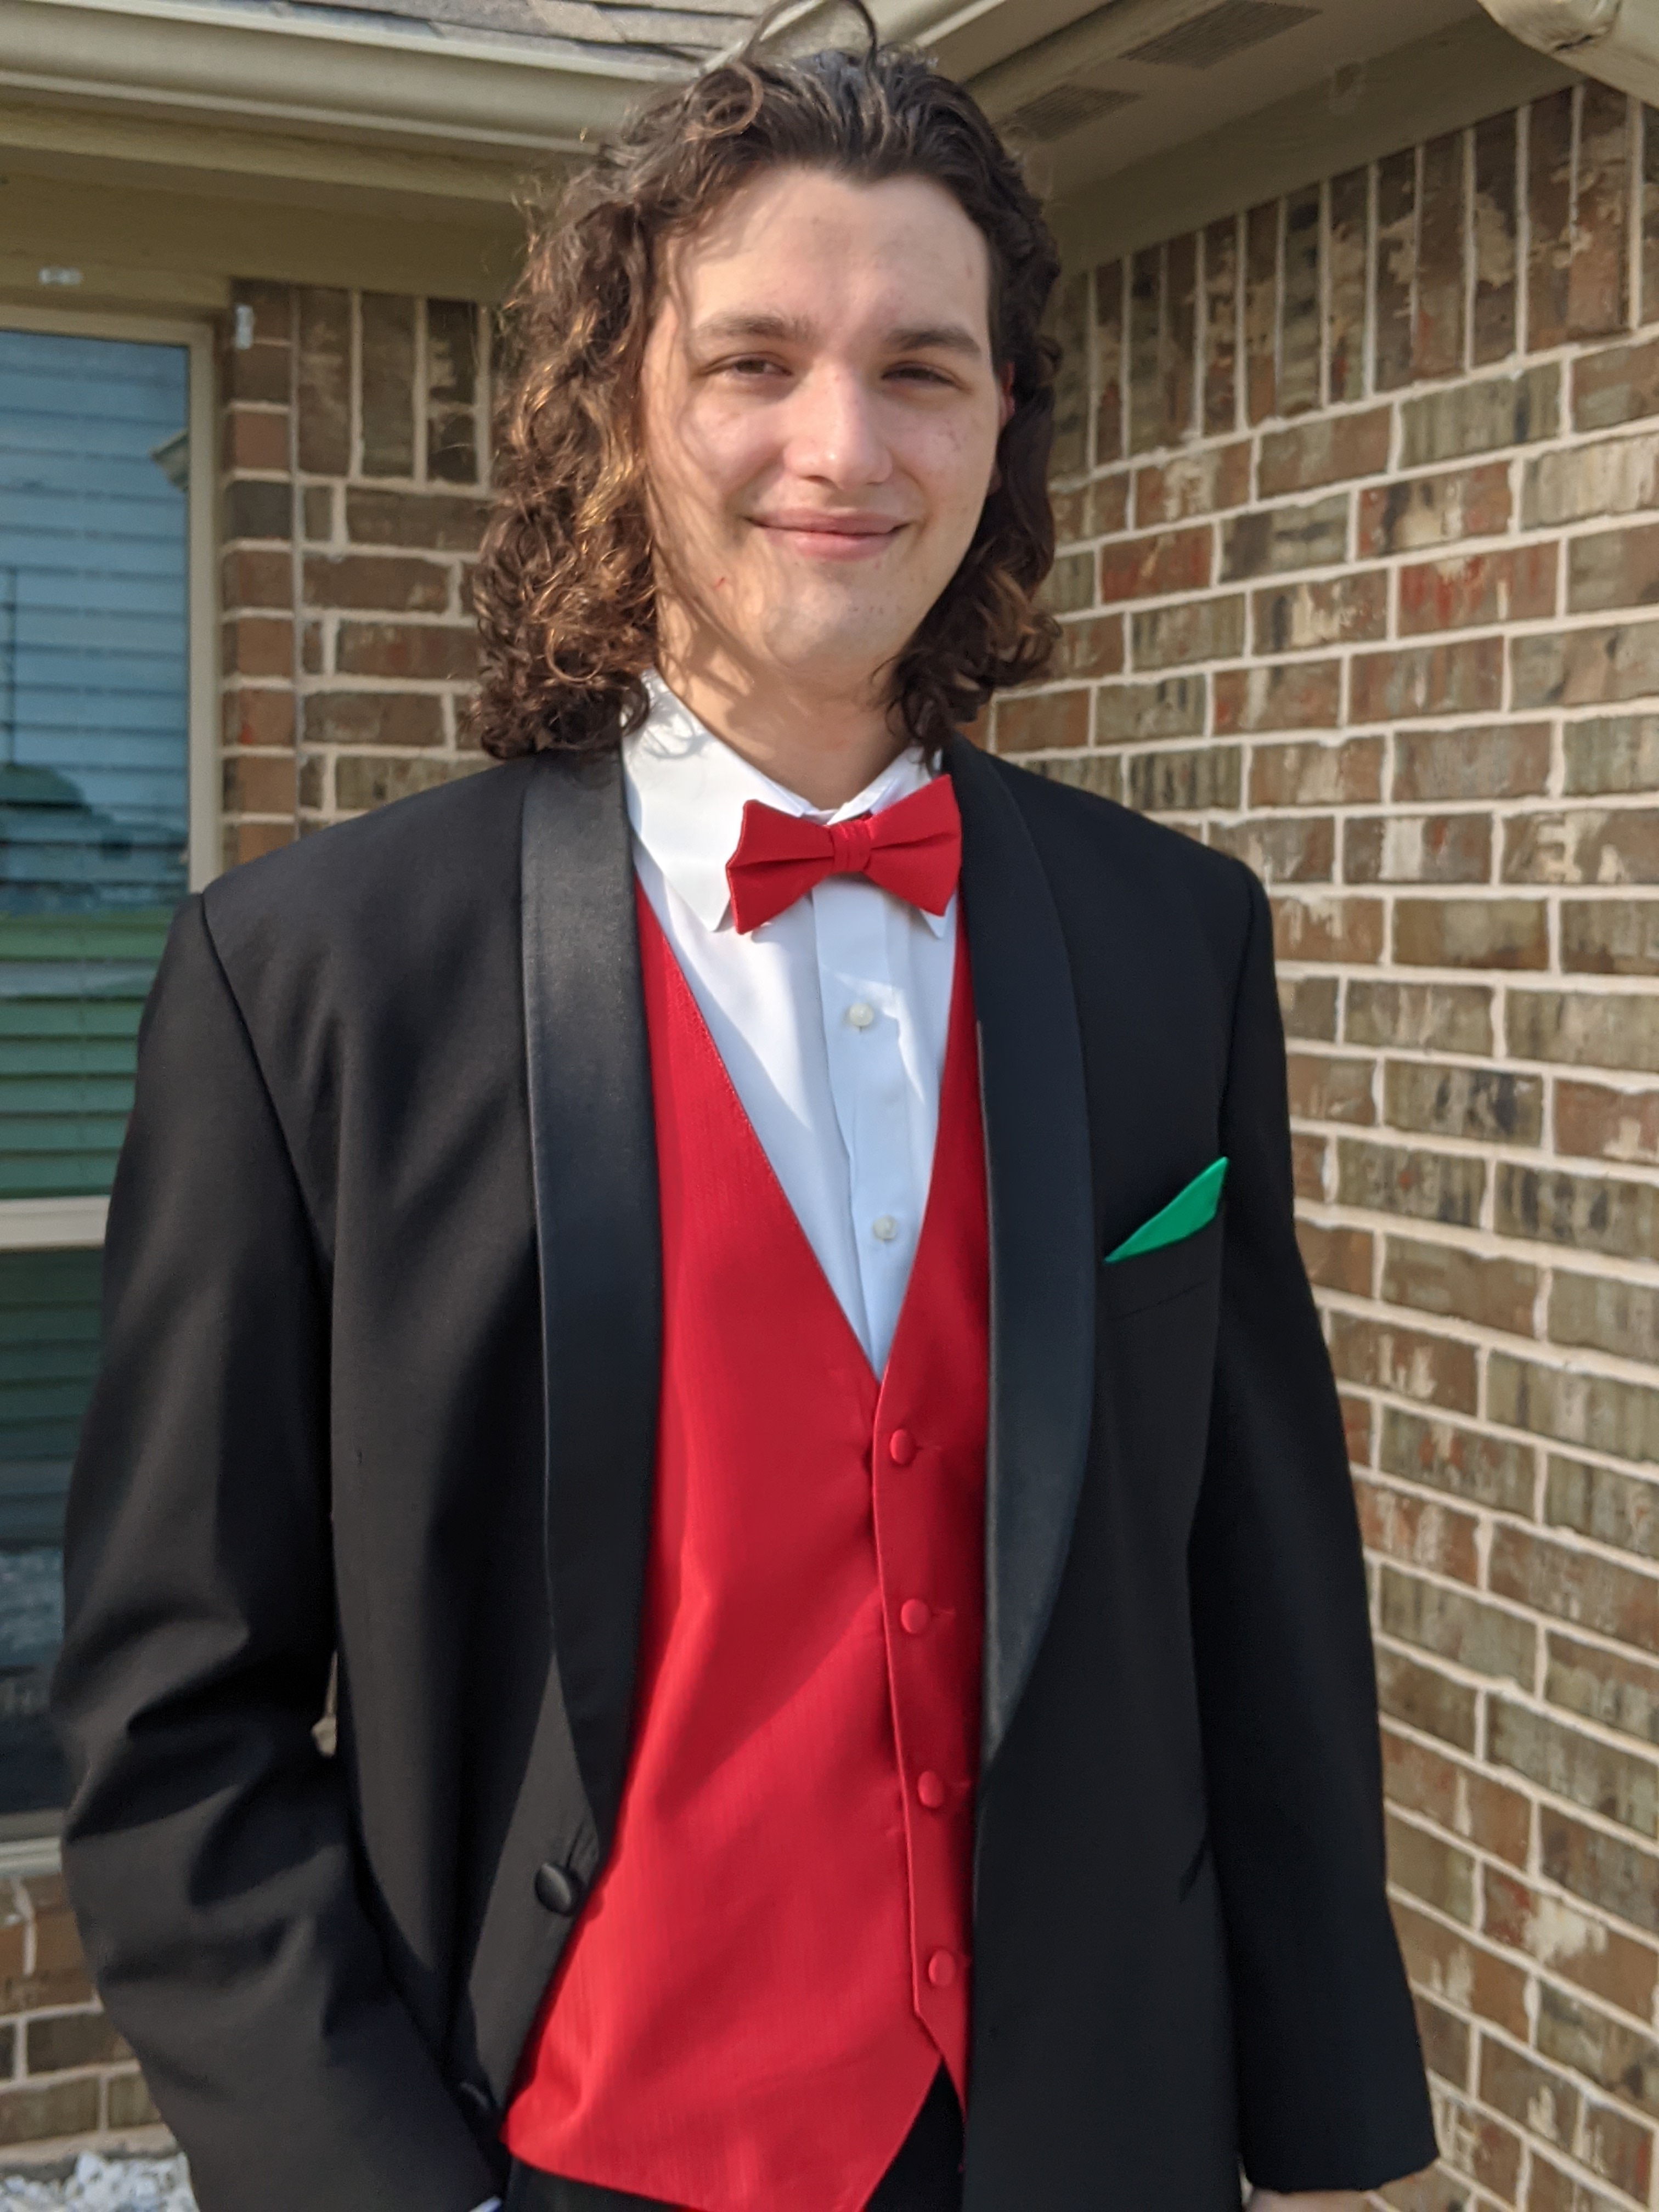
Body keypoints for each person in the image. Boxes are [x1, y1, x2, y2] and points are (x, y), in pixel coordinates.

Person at [52, 14, 1438, 2210]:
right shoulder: (310, 982)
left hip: (1086, 2150)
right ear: (624, 408)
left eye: (922, 368)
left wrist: (1337, 2129)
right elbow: (169, 1731)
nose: (841, 442)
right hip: (559, 2154)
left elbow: (1261, 1590)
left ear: (1000, 429)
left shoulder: (1177, 942)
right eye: (753, 360)